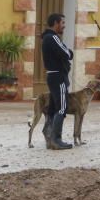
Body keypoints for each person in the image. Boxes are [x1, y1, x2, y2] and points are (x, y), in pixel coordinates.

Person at [40, 13, 73, 150]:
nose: (64, 26)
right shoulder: (53, 37)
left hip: (52, 76)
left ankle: (49, 138)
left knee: (53, 108)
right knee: (62, 108)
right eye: (63, 23)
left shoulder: (47, 38)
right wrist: (70, 53)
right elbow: (67, 53)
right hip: (58, 77)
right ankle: (56, 139)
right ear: (56, 23)